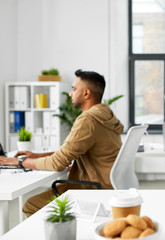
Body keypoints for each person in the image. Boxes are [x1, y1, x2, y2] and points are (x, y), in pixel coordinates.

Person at [0, 69, 124, 216]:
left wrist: (20, 162)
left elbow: (57, 163)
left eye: (74, 88)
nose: (71, 93)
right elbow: (70, 152)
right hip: (107, 185)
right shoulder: (105, 116)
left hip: (92, 189)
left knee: (31, 205)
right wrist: (35, 155)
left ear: (86, 93)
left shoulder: (88, 120)